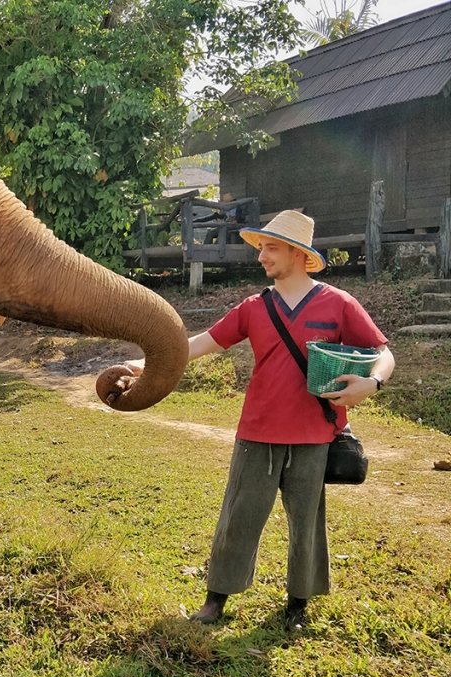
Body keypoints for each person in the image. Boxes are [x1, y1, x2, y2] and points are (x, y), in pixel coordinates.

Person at [125, 210, 395, 629]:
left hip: (314, 434)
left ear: (297, 254)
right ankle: (215, 601)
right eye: (261, 248)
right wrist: (144, 365)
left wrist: (372, 384)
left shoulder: (338, 304)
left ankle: (298, 605)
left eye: (270, 248)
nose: (261, 257)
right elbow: (201, 344)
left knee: (306, 523)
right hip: (257, 430)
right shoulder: (254, 308)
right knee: (238, 516)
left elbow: (383, 352)